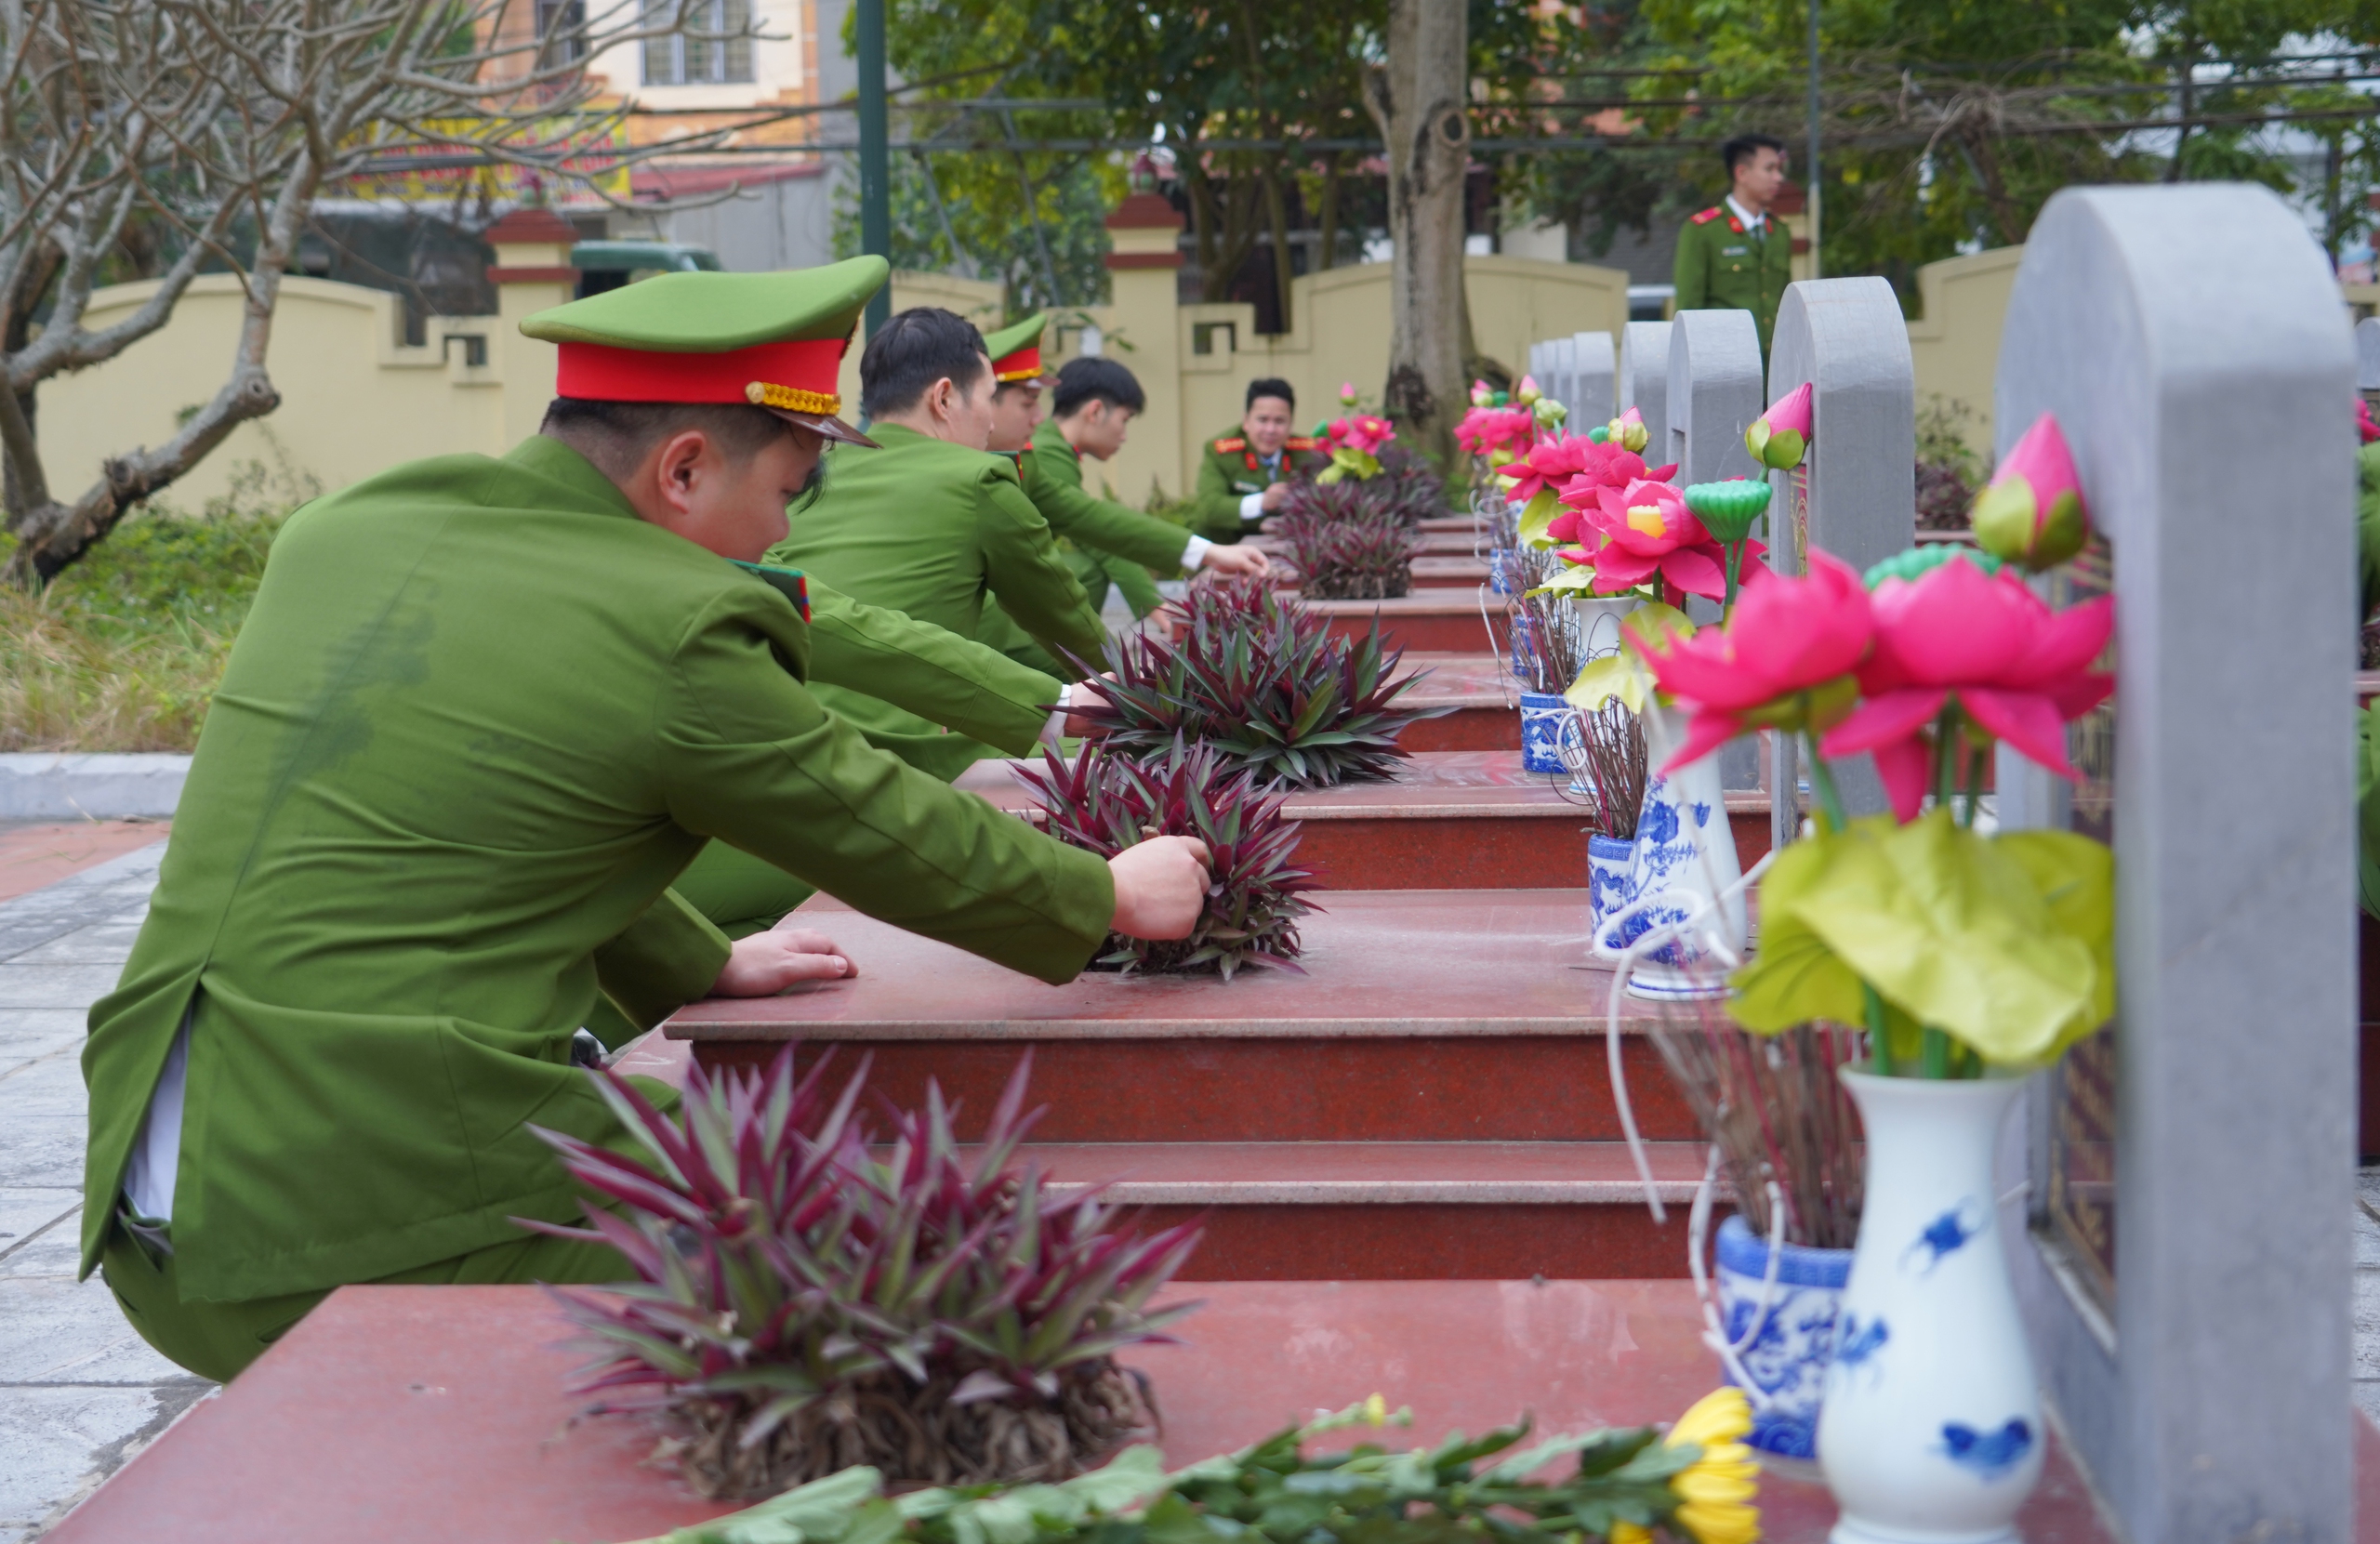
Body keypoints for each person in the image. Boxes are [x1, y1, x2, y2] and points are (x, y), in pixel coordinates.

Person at [76, 257, 1213, 1383]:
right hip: (364, 1213)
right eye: (783, 492)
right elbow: (875, 821)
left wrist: (700, 957)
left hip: (153, 1210)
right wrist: (1107, 891)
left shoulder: (351, 530)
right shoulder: (675, 617)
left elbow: (507, 819)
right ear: (681, 471)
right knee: (902, 1274)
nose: (780, 537)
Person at [767, 308, 1107, 781]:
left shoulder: (805, 476)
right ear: (944, 397)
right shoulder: (978, 479)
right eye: (991, 397)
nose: (990, 424)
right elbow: (1064, 618)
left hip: (785, 731)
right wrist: (1135, 694)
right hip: (905, 752)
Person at [1673, 133, 1796, 358]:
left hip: (1777, 367)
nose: (1778, 178)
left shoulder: (1779, 231)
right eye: (1769, 169)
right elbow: (1689, 310)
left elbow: (1785, 304)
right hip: (1726, 364)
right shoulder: (1703, 231)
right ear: (1741, 173)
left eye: (1779, 170)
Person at [1189, 377, 1328, 543]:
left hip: (1291, 549)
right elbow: (1210, 509)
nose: (1270, 430)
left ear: (1291, 423)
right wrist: (1263, 502)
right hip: (1226, 549)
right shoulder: (1221, 451)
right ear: (1246, 421)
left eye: (1280, 421)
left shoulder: (1308, 453)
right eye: (1262, 420)